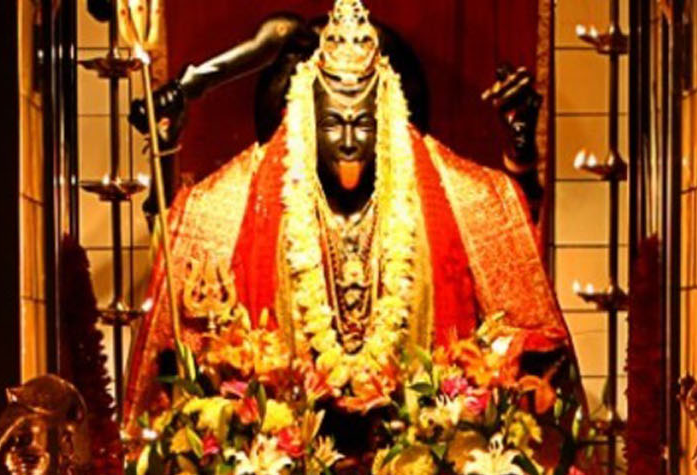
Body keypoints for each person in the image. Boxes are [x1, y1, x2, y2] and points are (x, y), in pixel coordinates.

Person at [119, 0, 577, 460]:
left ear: (388, 123)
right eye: (333, 124)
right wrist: (166, 152)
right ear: (305, 123)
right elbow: (178, 278)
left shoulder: (449, 196)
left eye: (363, 124)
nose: (350, 141)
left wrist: (521, 162)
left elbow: (511, 262)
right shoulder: (243, 201)